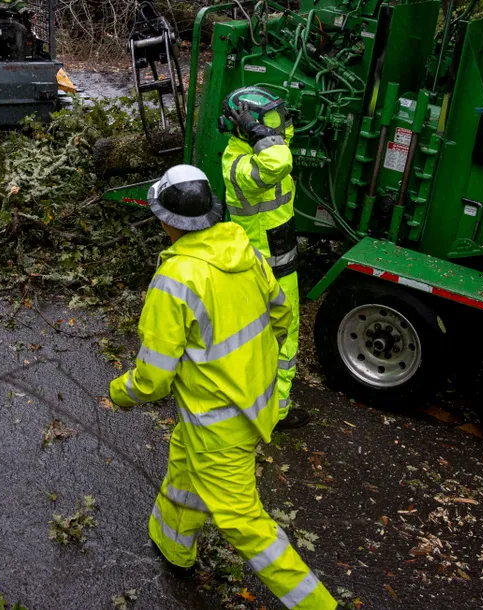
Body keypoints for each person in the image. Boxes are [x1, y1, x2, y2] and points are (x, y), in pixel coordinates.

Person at [108, 165, 337, 610]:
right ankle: (173, 544)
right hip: (252, 402)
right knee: (184, 467)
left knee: (242, 520)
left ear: (165, 220)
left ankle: (319, 605)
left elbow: (153, 379)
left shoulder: (176, 281)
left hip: (218, 423)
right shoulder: (243, 250)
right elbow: (281, 315)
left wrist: (120, 391)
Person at [220, 86, 307, 429]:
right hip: (268, 268)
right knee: (283, 340)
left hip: (272, 259)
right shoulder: (240, 164)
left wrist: (262, 128)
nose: (277, 125)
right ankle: (275, 413)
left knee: (260, 340)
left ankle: (249, 403)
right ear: (249, 128)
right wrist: (259, 132)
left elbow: (282, 142)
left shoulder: (258, 147)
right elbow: (278, 160)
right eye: (268, 120)